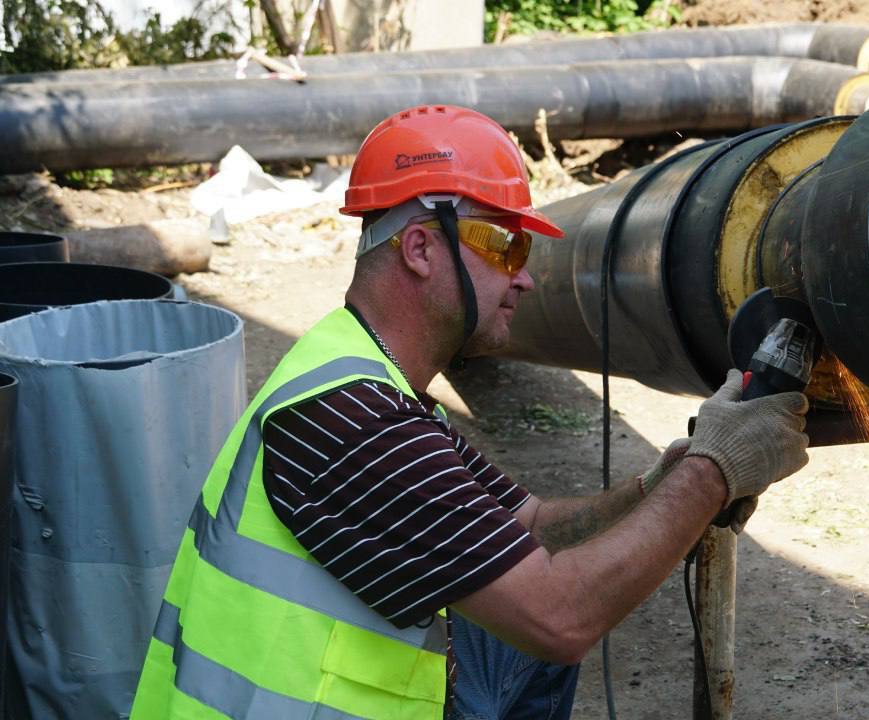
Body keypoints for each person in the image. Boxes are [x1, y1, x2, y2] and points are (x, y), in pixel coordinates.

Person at [131, 105, 810, 720]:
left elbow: (533, 525)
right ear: (423, 249)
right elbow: (560, 619)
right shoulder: (356, 422)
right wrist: (713, 474)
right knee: (532, 630)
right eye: (504, 246)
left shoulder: (369, 382)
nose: (522, 276)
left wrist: (656, 488)